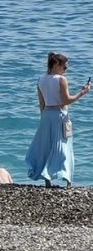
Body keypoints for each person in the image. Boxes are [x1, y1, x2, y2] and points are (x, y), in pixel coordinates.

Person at [25, 52, 90, 187]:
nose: (65, 70)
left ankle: (47, 181)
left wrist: (44, 118)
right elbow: (67, 100)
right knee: (64, 147)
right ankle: (68, 181)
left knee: (46, 147)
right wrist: (82, 93)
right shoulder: (61, 79)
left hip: (46, 115)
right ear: (56, 65)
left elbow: (41, 103)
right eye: (64, 67)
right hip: (60, 115)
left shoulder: (41, 79)